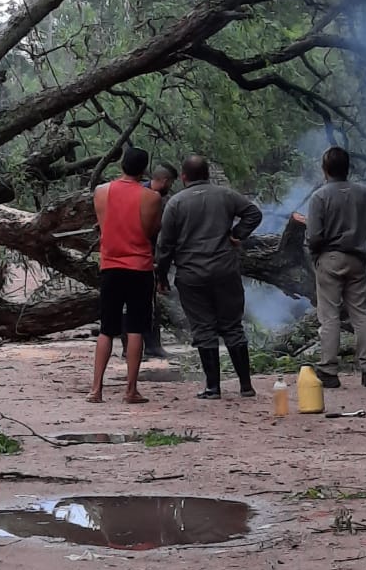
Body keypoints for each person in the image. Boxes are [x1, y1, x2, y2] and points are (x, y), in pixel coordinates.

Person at [155, 154, 262, 399]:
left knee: (204, 328)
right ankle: (246, 385)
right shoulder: (226, 195)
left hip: (192, 275)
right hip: (226, 270)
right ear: (208, 174)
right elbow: (254, 213)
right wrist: (237, 234)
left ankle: (213, 387)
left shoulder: (176, 203)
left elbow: (165, 245)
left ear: (183, 177)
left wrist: (161, 276)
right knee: (233, 326)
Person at [303, 146, 366, 389]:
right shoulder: (364, 193)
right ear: (348, 169)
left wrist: (316, 253)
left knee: (330, 316)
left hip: (330, 259)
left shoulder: (319, 197)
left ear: (325, 170)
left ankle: (329, 371)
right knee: (361, 313)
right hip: (358, 259)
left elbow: (313, 236)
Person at [89, 147, 162, 404]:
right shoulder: (151, 197)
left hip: (110, 265)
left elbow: (103, 222)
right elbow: (151, 230)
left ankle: (96, 389)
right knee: (135, 329)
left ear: (121, 165)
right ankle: (130, 390)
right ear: (144, 170)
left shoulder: (101, 192)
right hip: (139, 267)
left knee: (106, 329)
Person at [121, 161, 178, 360]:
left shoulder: (163, 199)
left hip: (151, 256)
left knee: (151, 304)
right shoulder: (140, 195)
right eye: (170, 182)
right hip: (132, 256)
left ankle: (153, 346)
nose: (170, 186)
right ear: (164, 180)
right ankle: (129, 348)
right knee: (130, 303)